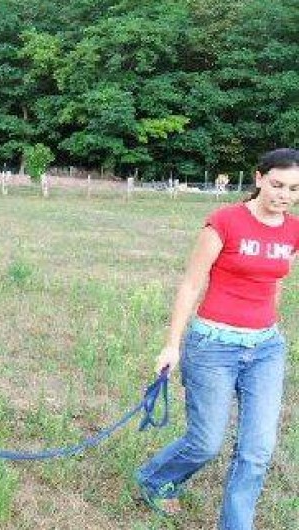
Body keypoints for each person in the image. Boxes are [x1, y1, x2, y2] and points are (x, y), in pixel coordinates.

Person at [135, 148, 299, 530]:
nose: (284, 195)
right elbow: (191, 284)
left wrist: (265, 326)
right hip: (213, 347)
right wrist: (172, 343)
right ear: (258, 178)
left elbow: (272, 281)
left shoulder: (293, 231)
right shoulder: (223, 223)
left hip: (265, 350)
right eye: (277, 184)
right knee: (205, 443)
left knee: (257, 451)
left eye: (293, 189)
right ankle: (156, 478)